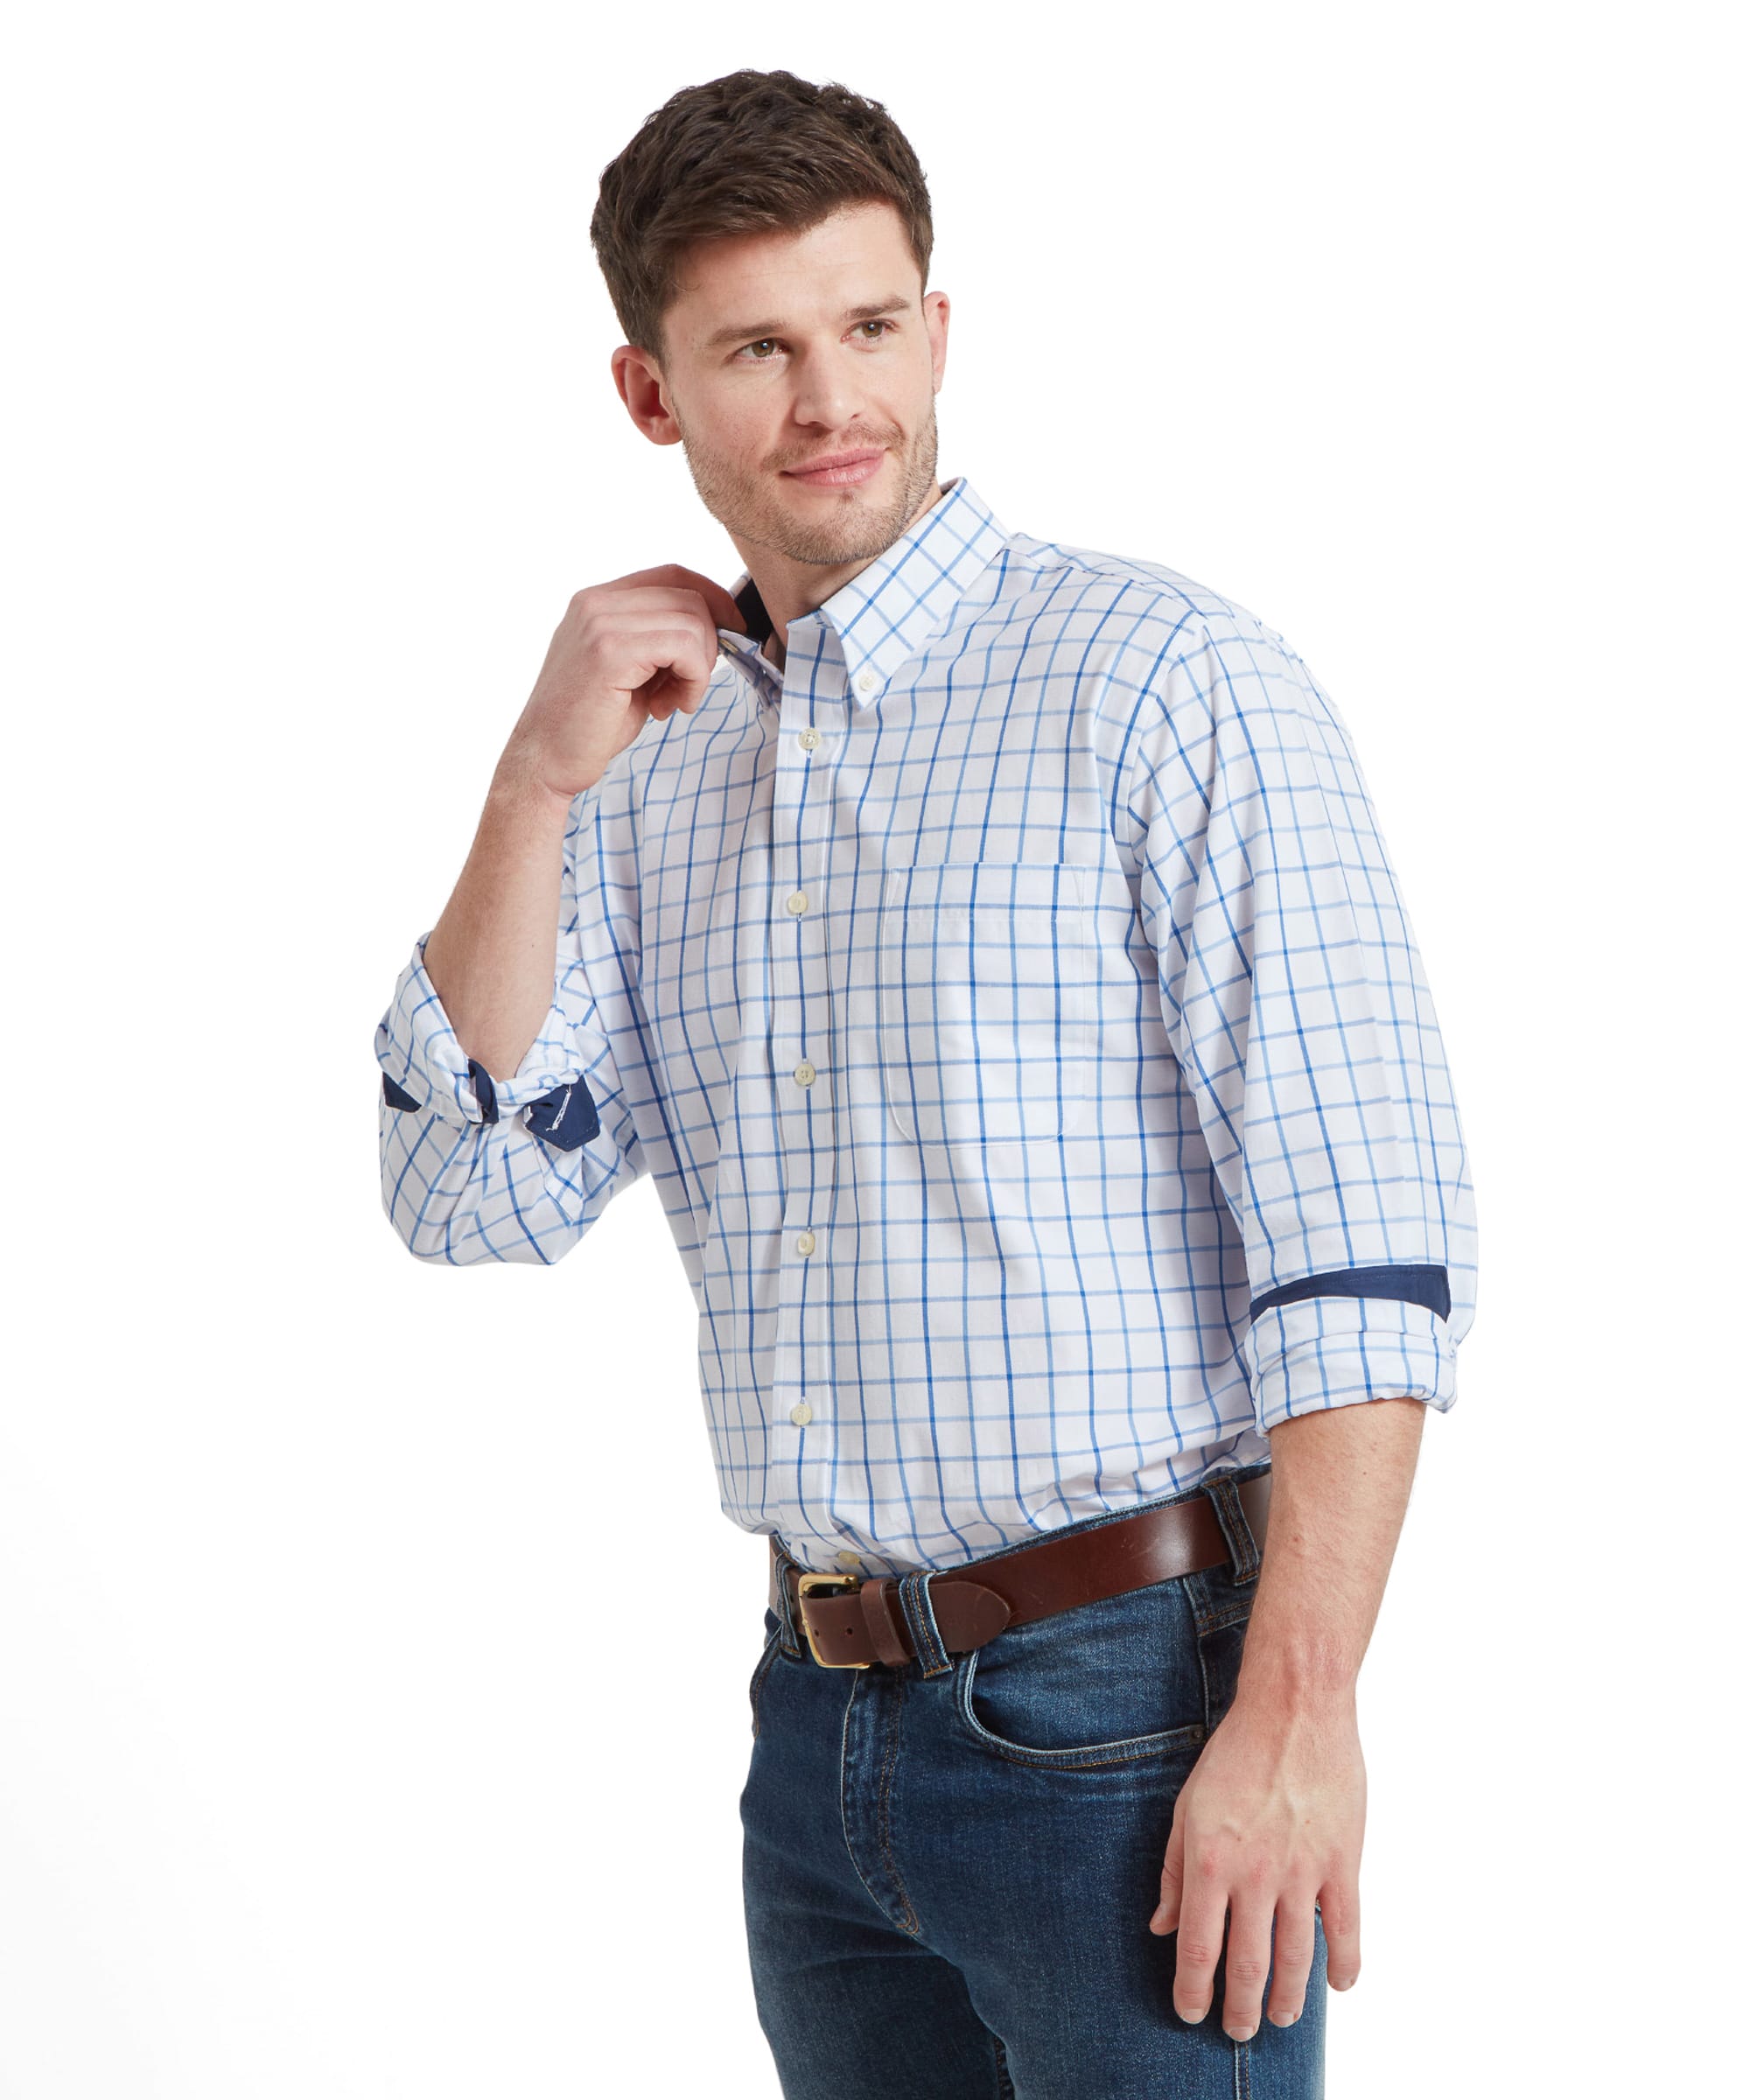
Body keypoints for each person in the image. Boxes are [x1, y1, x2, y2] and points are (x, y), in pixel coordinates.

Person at [373, 66, 1476, 2100]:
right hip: (814, 1737)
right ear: (652, 394)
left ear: (938, 333)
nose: (827, 403)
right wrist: (532, 786)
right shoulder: (645, 756)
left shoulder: (1164, 681)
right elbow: (471, 1200)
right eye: (758, 350)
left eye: (869, 328)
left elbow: (1365, 1249)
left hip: (1132, 1720)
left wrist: (1302, 1717)